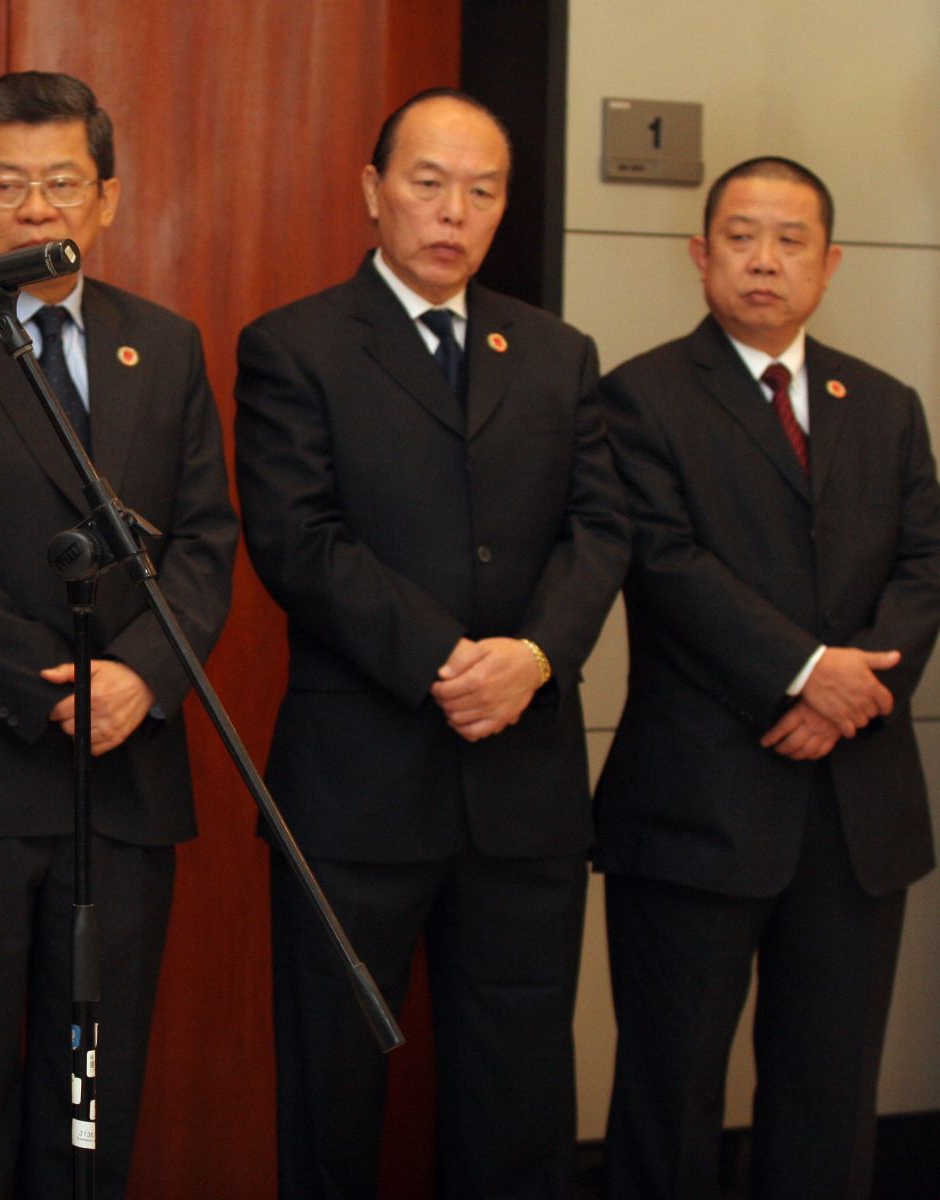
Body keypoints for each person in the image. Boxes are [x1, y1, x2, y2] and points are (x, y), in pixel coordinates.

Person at [0, 70, 237, 1199]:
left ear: (106, 198)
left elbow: (208, 537)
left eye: (62, 183)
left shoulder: (161, 344)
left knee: (88, 1098)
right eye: (8, 185)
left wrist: (140, 682)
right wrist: (52, 686)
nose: (35, 210)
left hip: (123, 783)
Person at [233, 88, 628, 1198]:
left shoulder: (555, 353)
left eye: (483, 190)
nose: (454, 210)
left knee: (521, 1094)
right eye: (428, 181)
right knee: (335, 1091)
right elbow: (299, 542)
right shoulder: (294, 345)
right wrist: (453, 661)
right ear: (372, 192)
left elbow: (601, 531)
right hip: (358, 787)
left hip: (525, 787)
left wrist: (535, 657)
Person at [596, 156, 940, 1200]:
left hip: (855, 807)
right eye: (742, 236)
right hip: (697, 803)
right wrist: (801, 676)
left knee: (828, 1094)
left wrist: (849, 698)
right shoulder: (637, 398)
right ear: (701, 256)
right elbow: (663, 563)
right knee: (671, 1085)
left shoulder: (883, 405)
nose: (765, 259)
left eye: (791, 240)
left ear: (829, 264)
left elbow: (924, 564)